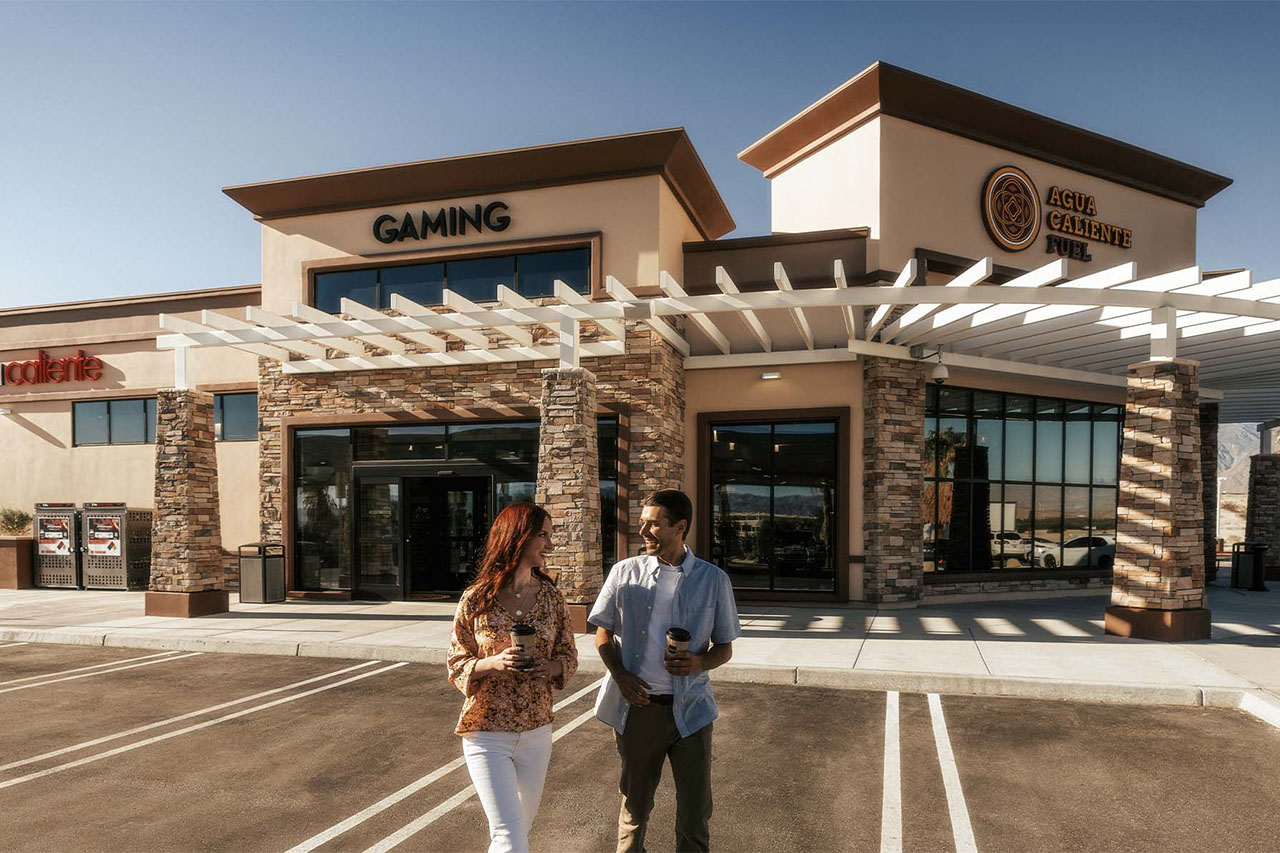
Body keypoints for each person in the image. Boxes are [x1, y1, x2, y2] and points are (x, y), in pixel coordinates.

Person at [589, 489, 742, 853]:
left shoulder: (713, 580)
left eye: (653, 524)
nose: (644, 531)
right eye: (642, 522)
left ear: (680, 527)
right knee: (634, 810)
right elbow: (602, 634)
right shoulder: (624, 573)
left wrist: (699, 663)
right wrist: (621, 677)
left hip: (692, 711)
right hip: (640, 710)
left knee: (695, 815)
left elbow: (725, 647)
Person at [447, 502, 579, 853]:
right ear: (520, 537)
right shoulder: (477, 599)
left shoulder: (552, 598)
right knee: (509, 834)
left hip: (536, 731)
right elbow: (456, 661)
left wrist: (549, 668)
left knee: (515, 832)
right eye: (543, 536)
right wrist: (492, 664)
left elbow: (568, 656)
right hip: (486, 733)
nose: (549, 545)